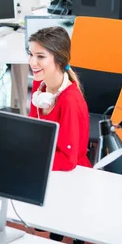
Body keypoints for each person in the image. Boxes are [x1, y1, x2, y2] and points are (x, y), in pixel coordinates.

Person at [28, 27, 91, 171]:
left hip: (70, 175)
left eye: (40, 56)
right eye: (30, 54)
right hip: (43, 162)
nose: (32, 62)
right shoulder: (40, 85)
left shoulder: (69, 101)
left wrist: (30, 158)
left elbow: (68, 161)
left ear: (59, 61)